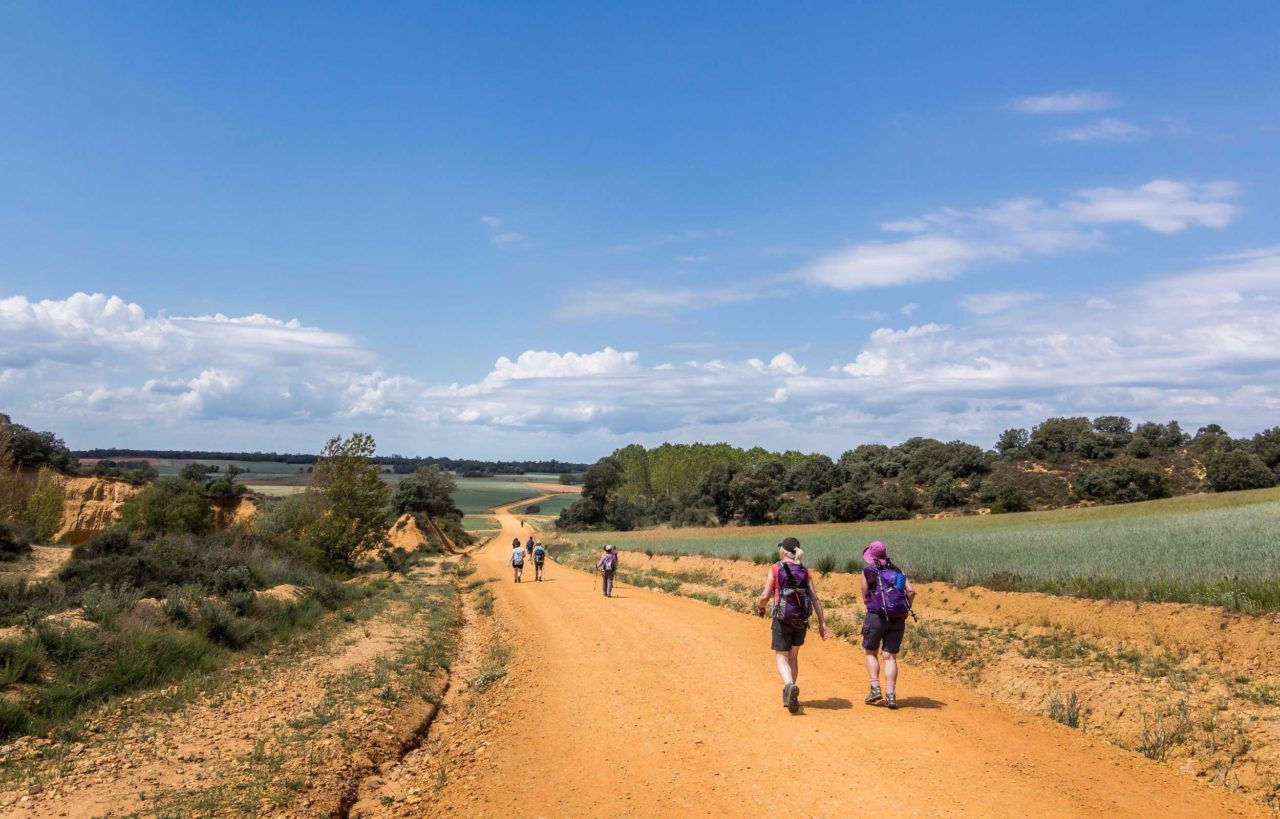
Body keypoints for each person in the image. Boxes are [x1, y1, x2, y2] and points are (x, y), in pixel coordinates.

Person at [756, 537, 828, 714]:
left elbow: (765, 595)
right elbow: (814, 598)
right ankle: (791, 692)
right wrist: (822, 622)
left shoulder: (775, 568)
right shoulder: (805, 571)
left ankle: (789, 685)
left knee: (781, 657)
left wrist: (761, 607)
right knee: (793, 657)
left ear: (782, 551)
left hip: (781, 619)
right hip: (801, 619)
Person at [859, 540, 915, 710]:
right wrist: (905, 609)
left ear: (871, 556)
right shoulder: (897, 571)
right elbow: (911, 591)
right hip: (897, 618)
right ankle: (891, 694)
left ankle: (875, 688)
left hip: (876, 616)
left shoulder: (868, 572)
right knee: (890, 656)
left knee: (871, 652)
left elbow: (865, 598)